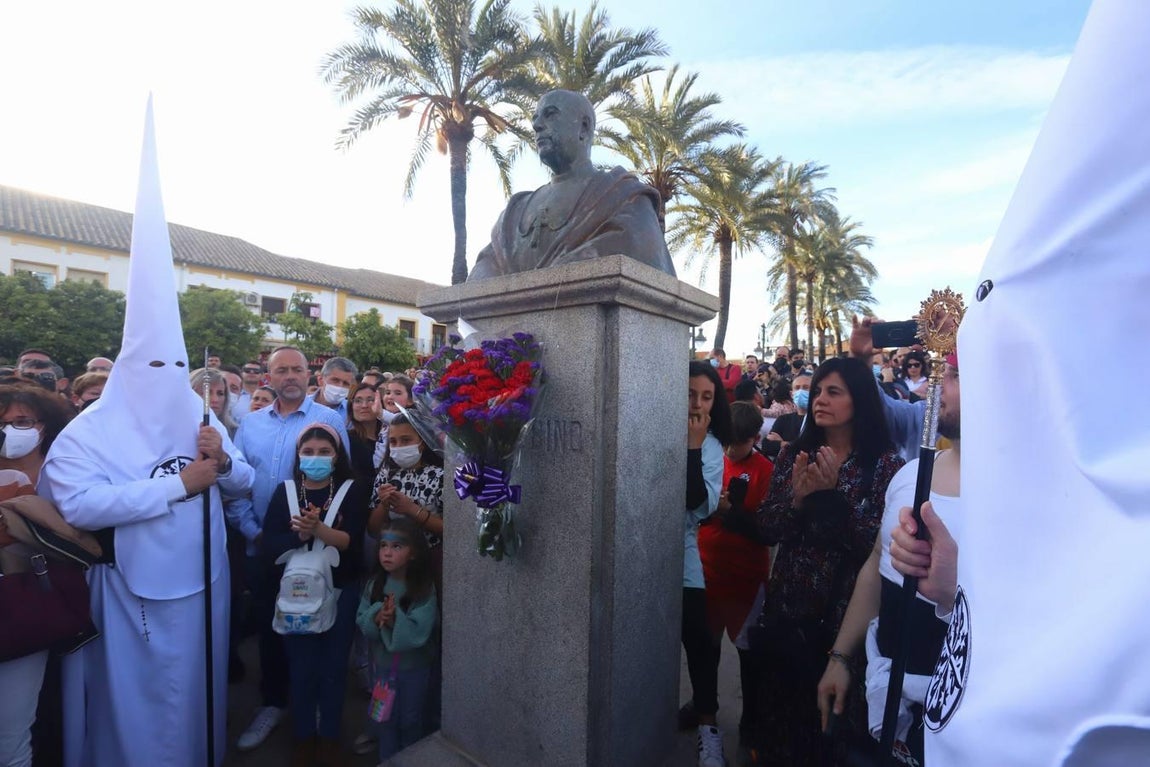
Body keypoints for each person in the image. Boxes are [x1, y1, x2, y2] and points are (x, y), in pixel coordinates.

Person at [750, 357, 904, 766]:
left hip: (840, 631)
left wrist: (835, 498)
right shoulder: (795, 456)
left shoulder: (886, 467)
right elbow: (767, 528)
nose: (819, 399)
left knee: (828, 739)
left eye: (833, 391)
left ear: (860, 400)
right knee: (780, 736)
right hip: (787, 618)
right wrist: (799, 502)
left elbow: (875, 550)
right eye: (817, 390)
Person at [817, 353, 961, 765]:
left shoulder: (1030, 496)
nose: (939, 383)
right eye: (942, 372)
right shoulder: (910, 475)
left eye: (956, 375)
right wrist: (842, 657)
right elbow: (877, 568)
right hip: (884, 690)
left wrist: (953, 597)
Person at [229, 346, 350, 753]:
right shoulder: (249, 424)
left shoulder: (329, 420)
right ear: (269, 376)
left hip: (320, 551)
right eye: (281, 370)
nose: (290, 376)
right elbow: (238, 484)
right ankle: (273, 703)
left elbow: (342, 480)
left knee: (318, 626)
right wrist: (253, 532)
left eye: (297, 368)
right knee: (270, 627)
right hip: (268, 546)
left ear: (309, 374)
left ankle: (316, 711)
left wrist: (323, 532)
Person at [467, 89, 675, 280]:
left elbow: (643, 255)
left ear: (583, 127)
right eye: (536, 118)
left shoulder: (624, 196)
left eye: (550, 114)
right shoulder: (515, 212)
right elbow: (484, 271)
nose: (537, 125)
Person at [261, 424, 368, 766]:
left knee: (334, 667)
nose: (316, 458)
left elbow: (352, 542)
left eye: (325, 452)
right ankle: (304, 736)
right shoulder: (286, 492)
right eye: (309, 452)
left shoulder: (352, 490)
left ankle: (331, 734)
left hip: (340, 588)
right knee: (302, 666)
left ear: (337, 456)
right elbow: (270, 543)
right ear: (298, 456)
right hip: (296, 593)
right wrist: (299, 535)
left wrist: (319, 530)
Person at [0, 383, 75, 767]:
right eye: (4, 423)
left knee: (18, 729)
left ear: (44, 426)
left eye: (23, 421)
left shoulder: (65, 469)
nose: (12, 430)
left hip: (35, 607)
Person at [696, 401, 774, 751]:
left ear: (755, 438)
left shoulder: (766, 471)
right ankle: (703, 709)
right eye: (726, 440)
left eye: (738, 443)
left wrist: (731, 513)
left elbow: (768, 531)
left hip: (746, 581)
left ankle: (753, 721)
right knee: (705, 651)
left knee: (750, 657)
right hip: (707, 570)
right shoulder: (711, 459)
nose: (729, 449)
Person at [681, 360, 732, 767]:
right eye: (689, 393)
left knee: (699, 640)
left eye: (706, 396)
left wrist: (694, 447)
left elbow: (698, 503)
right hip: (638, 546)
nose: (696, 403)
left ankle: (707, 727)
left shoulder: (712, 446)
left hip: (682, 553)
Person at [356, 516, 438, 762]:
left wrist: (395, 620)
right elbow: (361, 619)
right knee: (385, 719)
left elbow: (420, 631)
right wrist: (376, 615)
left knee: (411, 720)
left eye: (396, 546)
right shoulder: (376, 584)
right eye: (383, 546)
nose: (387, 553)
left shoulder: (423, 589)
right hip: (381, 670)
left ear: (413, 553)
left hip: (414, 670)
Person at [761, 373, 811, 460]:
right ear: (792, 394)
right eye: (797, 388)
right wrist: (792, 445)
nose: (801, 391)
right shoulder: (783, 419)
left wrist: (782, 443)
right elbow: (766, 446)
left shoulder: (819, 420)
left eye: (806, 388)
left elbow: (812, 450)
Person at [347, 382, 382, 481]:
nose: (364, 405)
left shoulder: (389, 437)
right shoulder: (348, 440)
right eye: (358, 401)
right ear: (351, 406)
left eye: (370, 400)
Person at [190, 367, 239, 438]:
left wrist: (220, 449)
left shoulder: (235, 432)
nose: (215, 399)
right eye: (207, 393)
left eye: (220, 393)